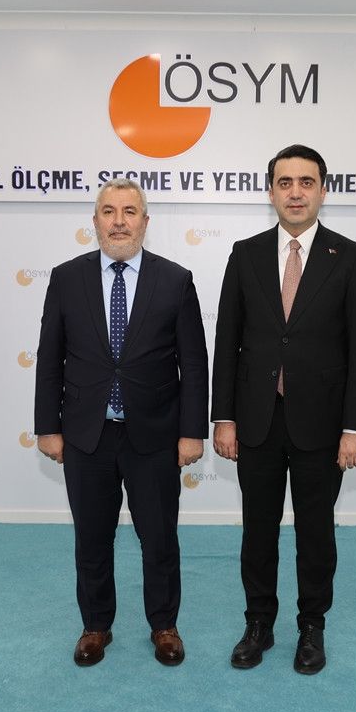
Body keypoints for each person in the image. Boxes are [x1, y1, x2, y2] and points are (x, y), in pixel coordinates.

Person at [211, 145, 356, 675]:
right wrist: (223, 417)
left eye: (307, 182)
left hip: (323, 425)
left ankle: (312, 627)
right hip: (257, 420)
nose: (296, 192)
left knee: (315, 533)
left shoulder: (349, 256)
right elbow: (227, 339)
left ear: (323, 190)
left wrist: (354, 428)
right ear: (271, 192)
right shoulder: (245, 254)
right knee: (257, 532)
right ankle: (258, 623)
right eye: (285, 182)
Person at [34, 178, 209, 667]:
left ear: (145, 222)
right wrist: (48, 426)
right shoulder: (66, 278)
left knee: (159, 537)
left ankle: (164, 625)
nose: (118, 222)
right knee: (92, 538)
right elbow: (49, 358)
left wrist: (191, 431)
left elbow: (194, 364)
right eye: (108, 211)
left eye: (129, 212)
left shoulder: (175, 280)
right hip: (85, 435)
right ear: (95, 221)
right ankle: (95, 625)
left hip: (154, 435)